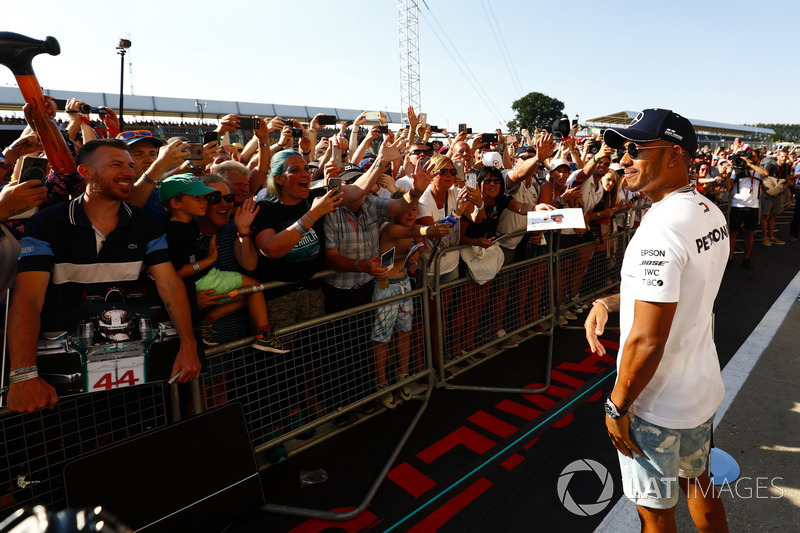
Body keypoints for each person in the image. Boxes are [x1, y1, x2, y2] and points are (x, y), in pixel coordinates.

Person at [584, 109, 729, 532]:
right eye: (622, 150)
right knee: (699, 484)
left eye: (635, 149)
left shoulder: (661, 227)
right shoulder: (708, 211)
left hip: (655, 404)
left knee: (655, 515)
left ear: (674, 155)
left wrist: (617, 405)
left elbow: (646, 341)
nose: (622, 160)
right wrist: (609, 303)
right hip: (698, 391)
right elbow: (683, 289)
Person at [7, 139, 202, 413]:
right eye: (116, 164)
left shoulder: (145, 223)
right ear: (85, 172)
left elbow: (170, 284)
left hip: (139, 374)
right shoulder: (47, 223)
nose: (129, 172)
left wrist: (188, 345)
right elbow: (27, 299)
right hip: (68, 380)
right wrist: (24, 375)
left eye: (130, 166)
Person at [159, 173, 288, 354]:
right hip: (194, 333)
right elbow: (165, 275)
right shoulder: (178, 231)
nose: (224, 203)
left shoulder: (232, 228)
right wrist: (189, 298)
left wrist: (243, 230)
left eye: (229, 197)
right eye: (214, 197)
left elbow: (250, 266)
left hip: (234, 328)